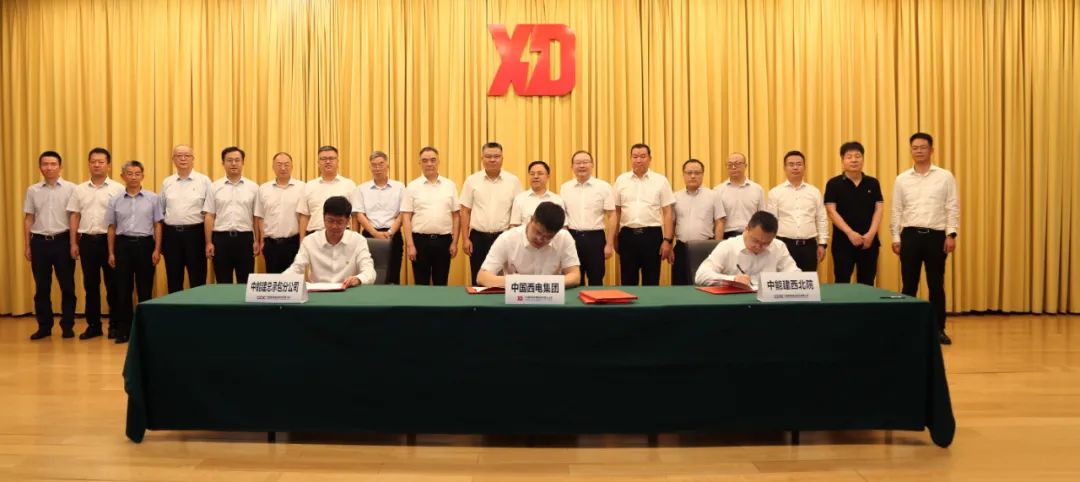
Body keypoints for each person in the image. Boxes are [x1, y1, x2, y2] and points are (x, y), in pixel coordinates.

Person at [891, 132, 960, 345]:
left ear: (931, 150)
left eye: (923, 147)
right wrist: (895, 237)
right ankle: (907, 329)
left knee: (936, 285)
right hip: (910, 236)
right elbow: (896, 210)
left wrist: (951, 234)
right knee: (909, 285)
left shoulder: (945, 176)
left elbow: (952, 206)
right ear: (911, 150)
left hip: (936, 236)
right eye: (915, 147)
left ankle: (938, 329)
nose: (919, 151)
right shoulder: (902, 179)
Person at [66, 147, 124, 339]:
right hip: (87, 242)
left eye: (101, 161)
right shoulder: (79, 189)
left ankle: (115, 325)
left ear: (109, 165)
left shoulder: (118, 189)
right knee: (90, 286)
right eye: (93, 161)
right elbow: (75, 216)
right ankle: (93, 325)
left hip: (110, 243)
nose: (97, 165)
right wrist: (73, 243)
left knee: (113, 285)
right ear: (89, 164)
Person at [106, 161, 163, 344]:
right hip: (122, 245)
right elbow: (111, 227)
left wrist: (157, 249)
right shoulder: (115, 199)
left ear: (142, 176)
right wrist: (111, 252)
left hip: (145, 245)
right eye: (129, 173)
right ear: (122, 176)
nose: (133, 177)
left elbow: (157, 225)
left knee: (145, 289)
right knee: (123, 289)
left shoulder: (153, 198)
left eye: (137, 173)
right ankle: (124, 330)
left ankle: (144, 330)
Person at [24, 150, 77, 340]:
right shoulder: (33, 190)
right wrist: (27, 245)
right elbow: (29, 218)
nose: (49, 167)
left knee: (67, 286)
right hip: (39, 242)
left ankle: (68, 326)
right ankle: (44, 326)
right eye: (45, 164)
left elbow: (74, 217)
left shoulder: (71, 188)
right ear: (40, 167)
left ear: (60, 167)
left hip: (63, 241)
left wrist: (73, 243)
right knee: (42, 288)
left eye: (53, 164)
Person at [459, 142, 522, 285]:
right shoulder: (472, 180)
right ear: (482, 158)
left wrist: (514, 237)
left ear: (502, 158)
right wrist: (465, 238)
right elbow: (465, 211)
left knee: (504, 280)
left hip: (504, 237)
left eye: (496, 156)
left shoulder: (513, 181)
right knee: (478, 278)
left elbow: (518, 210)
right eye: (488, 156)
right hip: (478, 238)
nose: (492, 160)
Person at [477, 202, 581, 288]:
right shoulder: (507, 238)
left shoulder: (564, 238)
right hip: (516, 299)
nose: (540, 239)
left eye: (548, 237)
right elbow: (482, 277)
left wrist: (545, 284)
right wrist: (523, 283)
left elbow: (575, 276)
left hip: (551, 299)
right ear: (531, 220)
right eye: (538, 232)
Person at [613, 143, 675, 285]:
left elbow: (667, 212)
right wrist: (614, 237)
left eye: (642, 156)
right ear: (630, 158)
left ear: (650, 158)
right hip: (627, 235)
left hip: (652, 235)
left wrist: (667, 240)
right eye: (635, 157)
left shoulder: (661, 181)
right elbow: (616, 211)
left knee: (651, 281)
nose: (638, 160)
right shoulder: (621, 180)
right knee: (628, 281)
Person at [824, 141, 884, 285]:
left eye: (857, 156)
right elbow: (831, 211)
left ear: (863, 159)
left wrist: (871, 234)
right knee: (842, 283)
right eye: (849, 156)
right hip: (843, 242)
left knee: (867, 283)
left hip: (869, 242)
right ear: (842, 160)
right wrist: (850, 233)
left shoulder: (872, 183)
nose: (854, 160)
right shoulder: (833, 184)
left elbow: (879, 209)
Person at [401, 146, 460, 285]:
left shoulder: (449, 185)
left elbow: (456, 215)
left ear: (438, 162)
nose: (429, 164)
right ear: (419, 163)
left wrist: (455, 242)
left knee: (441, 283)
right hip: (419, 242)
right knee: (421, 285)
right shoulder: (412, 186)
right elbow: (406, 217)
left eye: (433, 160)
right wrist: (410, 245)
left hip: (444, 241)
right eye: (425, 160)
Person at [286, 196, 375, 287]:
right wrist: (282, 281)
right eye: (330, 221)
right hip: (318, 292)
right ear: (323, 218)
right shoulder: (310, 241)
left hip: (347, 290)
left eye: (339, 222)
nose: (334, 226)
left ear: (348, 221)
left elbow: (369, 272)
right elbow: (296, 268)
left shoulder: (358, 241)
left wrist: (358, 279)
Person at [694, 211, 799, 286]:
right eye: (755, 240)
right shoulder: (728, 246)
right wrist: (733, 279)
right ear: (747, 229)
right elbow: (701, 276)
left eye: (766, 243)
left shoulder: (778, 247)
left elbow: (795, 274)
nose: (759, 246)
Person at [160, 144, 211, 293]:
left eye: (187, 155)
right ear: (173, 159)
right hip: (171, 236)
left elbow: (210, 212)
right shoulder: (167, 182)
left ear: (193, 159)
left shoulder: (204, 181)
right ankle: (175, 308)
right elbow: (161, 211)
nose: (183, 159)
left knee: (198, 278)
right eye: (179, 156)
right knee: (173, 278)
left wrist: (209, 241)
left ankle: (198, 308)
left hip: (196, 234)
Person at [559, 150, 616, 286]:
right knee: (574, 280)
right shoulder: (565, 188)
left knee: (596, 279)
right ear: (572, 167)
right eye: (578, 163)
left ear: (592, 165)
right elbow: (563, 216)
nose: (582, 166)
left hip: (595, 239)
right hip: (572, 237)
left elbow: (612, 215)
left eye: (585, 162)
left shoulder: (603, 187)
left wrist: (609, 244)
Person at [203, 146, 259, 284]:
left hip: (245, 239)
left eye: (237, 160)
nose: (233, 163)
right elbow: (209, 216)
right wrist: (209, 242)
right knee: (223, 282)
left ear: (243, 162)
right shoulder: (214, 187)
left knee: (245, 282)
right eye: (229, 160)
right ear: (223, 163)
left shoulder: (253, 187)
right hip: (221, 239)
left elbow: (256, 217)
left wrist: (257, 240)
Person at [767, 150, 828, 272]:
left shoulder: (814, 192)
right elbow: (772, 222)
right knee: (785, 280)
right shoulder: (775, 192)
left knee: (808, 281)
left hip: (809, 246)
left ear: (804, 167)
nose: (795, 167)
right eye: (791, 164)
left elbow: (821, 219)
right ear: (784, 168)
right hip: (784, 245)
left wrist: (822, 244)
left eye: (799, 164)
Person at [672, 159, 725, 285]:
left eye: (697, 173)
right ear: (683, 174)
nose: (693, 176)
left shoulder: (713, 195)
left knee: (704, 285)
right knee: (680, 285)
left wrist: (716, 246)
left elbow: (720, 221)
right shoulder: (675, 197)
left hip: (705, 248)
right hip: (681, 247)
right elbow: (672, 222)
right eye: (689, 172)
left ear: (702, 174)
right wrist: (669, 245)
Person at [355, 151, 405, 284]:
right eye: (374, 165)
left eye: (381, 164)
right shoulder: (362, 188)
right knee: (369, 275)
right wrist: (375, 233)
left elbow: (403, 213)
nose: (377, 168)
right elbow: (359, 214)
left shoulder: (399, 187)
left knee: (393, 275)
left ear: (387, 165)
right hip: (369, 235)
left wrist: (390, 232)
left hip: (393, 235)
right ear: (370, 167)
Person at [255, 152, 302, 273]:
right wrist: (261, 240)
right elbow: (260, 216)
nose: (283, 168)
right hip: (271, 244)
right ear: (273, 167)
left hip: (293, 243)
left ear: (292, 166)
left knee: (293, 280)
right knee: (273, 280)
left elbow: (304, 217)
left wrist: (302, 242)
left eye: (286, 164)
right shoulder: (263, 189)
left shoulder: (302, 188)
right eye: (279, 164)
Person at [298, 145, 357, 239]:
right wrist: (302, 241)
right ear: (318, 163)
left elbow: (355, 215)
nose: (328, 161)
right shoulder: (309, 186)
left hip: (342, 235)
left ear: (338, 162)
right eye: (323, 159)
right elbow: (304, 216)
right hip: (314, 236)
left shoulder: (349, 185)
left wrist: (354, 238)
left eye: (331, 158)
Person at [715, 152, 766, 239]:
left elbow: (762, 216)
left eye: (737, 164)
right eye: (730, 165)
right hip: (727, 236)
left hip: (751, 235)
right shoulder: (718, 190)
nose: (733, 167)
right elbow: (717, 220)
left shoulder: (757, 189)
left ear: (745, 166)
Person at [510, 160, 565, 227]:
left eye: (540, 173)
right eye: (532, 174)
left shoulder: (557, 200)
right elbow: (514, 226)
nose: (535, 176)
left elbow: (563, 227)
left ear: (548, 176)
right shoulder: (519, 199)